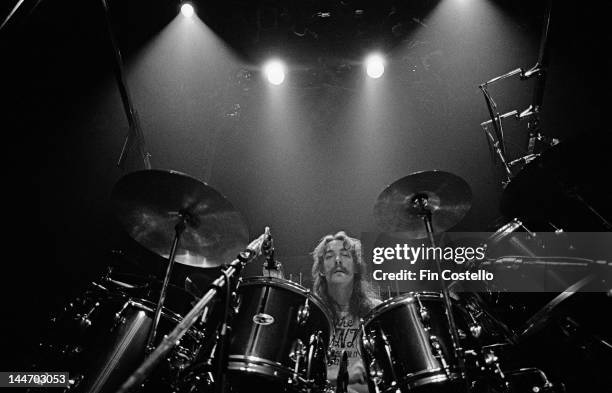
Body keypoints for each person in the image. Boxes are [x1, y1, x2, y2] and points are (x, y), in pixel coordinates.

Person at [310, 231, 381, 393]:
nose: (337, 260)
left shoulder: (375, 310)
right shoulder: (312, 313)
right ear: (321, 269)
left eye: (345, 255)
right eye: (329, 256)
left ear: (356, 267)